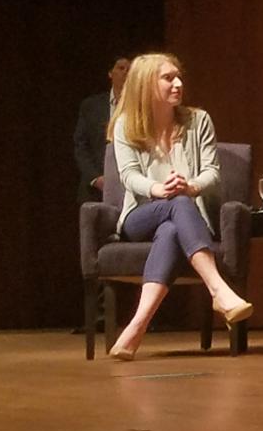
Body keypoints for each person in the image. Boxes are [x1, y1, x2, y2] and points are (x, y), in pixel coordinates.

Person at [106, 53, 253, 360]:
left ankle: (136, 327)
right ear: (146, 85)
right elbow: (129, 175)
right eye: (168, 78)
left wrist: (191, 186)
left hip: (185, 217)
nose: (178, 83)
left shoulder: (198, 121)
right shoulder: (125, 125)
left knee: (174, 225)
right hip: (140, 216)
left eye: (178, 77)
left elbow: (212, 171)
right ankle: (218, 290)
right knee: (176, 204)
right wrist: (158, 188)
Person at [74, 55, 131, 201]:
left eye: (130, 69)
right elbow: (81, 146)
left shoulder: (141, 108)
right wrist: (95, 178)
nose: (126, 72)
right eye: (121, 68)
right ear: (110, 73)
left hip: (130, 189)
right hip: (94, 190)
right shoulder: (91, 106)